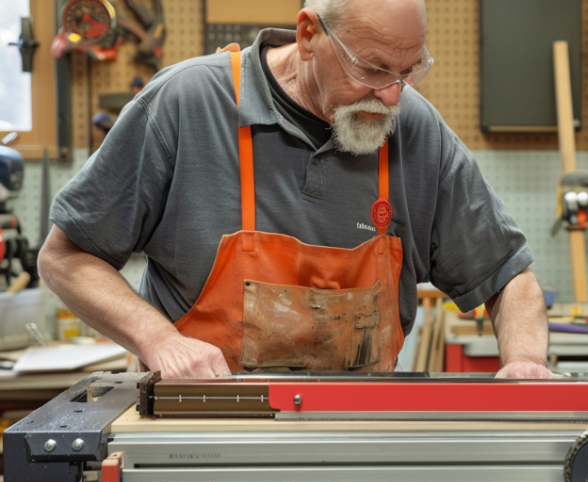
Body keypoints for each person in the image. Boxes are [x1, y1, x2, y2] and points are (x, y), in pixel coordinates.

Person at [38, 0, 551, 379]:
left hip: (361, 445)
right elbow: (65, 258)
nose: (391, 95)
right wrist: (160, 341)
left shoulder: (415, 128)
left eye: (408, 71)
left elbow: (508, 275)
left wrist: (526, 363)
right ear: (308, 35)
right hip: (197, 442)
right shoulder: (185, 104)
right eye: (372, 69)